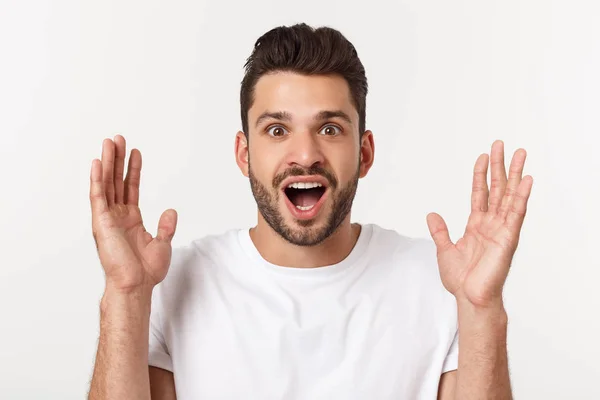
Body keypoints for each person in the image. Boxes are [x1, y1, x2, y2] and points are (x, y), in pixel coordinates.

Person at [88, 23, 533, 399]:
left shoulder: (439, 283)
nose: (305, 153)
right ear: (244, 153)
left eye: (330, 128)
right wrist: (126, 295)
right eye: (277, 129)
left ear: (364, 152)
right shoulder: (170, 285)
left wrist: (480, 307)